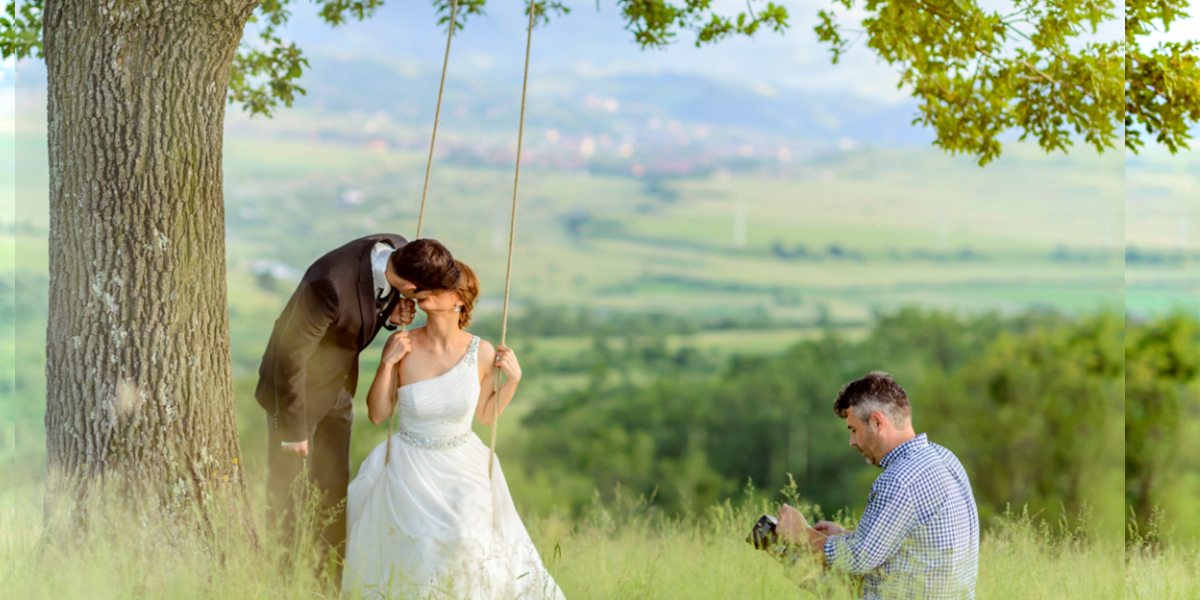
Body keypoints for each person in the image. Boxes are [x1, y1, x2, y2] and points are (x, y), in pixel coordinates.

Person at [342, 260, 567, 600]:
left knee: (466, 540)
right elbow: (377, 414)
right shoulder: (404, 344)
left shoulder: (482, 352)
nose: (424, 291)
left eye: (437, 286)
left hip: (463, 464)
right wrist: (387, 363)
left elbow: (487, 416)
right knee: (420, 546)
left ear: (459, 298)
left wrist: (513, 381)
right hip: (409, 465)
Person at [254, 235, 460, 586]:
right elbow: (291, 356)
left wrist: (389, 316)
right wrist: (293, 429)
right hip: (294, 395)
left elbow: (364, 311)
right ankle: (281, 581)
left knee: (334, 490)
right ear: (410, 285)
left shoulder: (397, 247)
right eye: (424, 296)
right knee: (288, 494)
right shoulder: (329, 285)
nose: (426, 303)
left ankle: (328, 584)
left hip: (339, 387)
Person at [776, 371, 979, 600]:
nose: (852, 442)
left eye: (853, 430)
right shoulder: (945, 458)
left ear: (877, 421)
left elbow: (858, 558)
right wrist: (845, 536)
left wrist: (802, 534)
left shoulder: (899, 479)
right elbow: (921, 547)